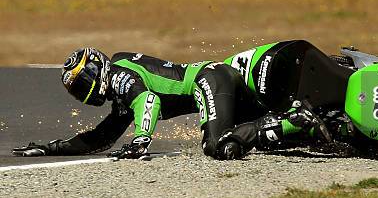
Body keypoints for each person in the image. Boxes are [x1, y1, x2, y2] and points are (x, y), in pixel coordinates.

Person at [12, 46, 331, 160]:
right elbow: (100, 138)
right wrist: (51, 148)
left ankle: (297, 118)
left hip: (209, 80)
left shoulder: (121, 75)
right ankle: (319, 125)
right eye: (76, 90)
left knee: (217, 146)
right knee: (261, 142)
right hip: (216, 79)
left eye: (82, 83)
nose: (83, 93)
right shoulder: (121, 96)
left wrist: (141, 139)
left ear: (97, 69)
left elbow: (147, 100)